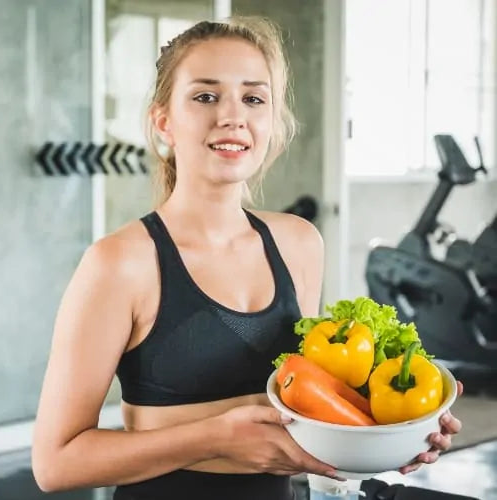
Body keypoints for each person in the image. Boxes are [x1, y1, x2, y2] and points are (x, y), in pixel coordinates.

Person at [32, 16, 463, 500]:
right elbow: (55, 463)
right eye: (205, 96)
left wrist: (399, 429)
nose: (232, 116)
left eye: (254, 98)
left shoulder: (299, 243)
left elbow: (310, 405)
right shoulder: (120, 263)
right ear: (164, 122)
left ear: (272, 121)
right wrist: (215, 437)